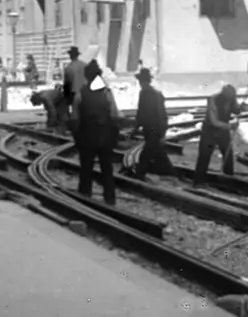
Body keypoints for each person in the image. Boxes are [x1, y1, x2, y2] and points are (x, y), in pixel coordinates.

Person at [76, 60, 121, 205]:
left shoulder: (80, 94)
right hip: (104, 136)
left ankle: (84, 197)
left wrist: (77, 137)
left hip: (87, 137)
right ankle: (110, 199)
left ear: (86, 76)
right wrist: (114, 135)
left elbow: (75, 118)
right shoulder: (107, 93)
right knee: (106, 169)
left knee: (86, 168)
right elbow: (114, 115)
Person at [192, 84, 242, 186]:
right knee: (205, 155)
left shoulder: (232, 99)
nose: (231, 99)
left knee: (228, 155)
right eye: (229, 97)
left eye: (232, 97)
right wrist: (229, 126)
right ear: (223, 94)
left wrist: (241, 108)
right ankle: (199, 181)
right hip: (209, 130)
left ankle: (228, 180)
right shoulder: (213, 100)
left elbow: (236, 109)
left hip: (223, 131)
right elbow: (214, 121)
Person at [132, 67, 174, 178]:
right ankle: (168, 171)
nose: (142, 84)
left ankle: (140, 172)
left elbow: (162, 114)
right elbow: (140, 112)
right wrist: (136, 127)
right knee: (157, 151)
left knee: (147, 151)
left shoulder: (156, 95)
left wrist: (162, 132)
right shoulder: (143, 93)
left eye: (143, 81)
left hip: (155, 128)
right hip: (148, 128)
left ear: (147, 81)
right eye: (141, 82)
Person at [61, 45, 86, 132]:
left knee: (75, 114)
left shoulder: (69, 68)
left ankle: (77, 130)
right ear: (78, 55)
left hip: (74, 93)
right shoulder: (85, 65)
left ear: (70, 56)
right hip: (87, 92)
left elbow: (66, 85)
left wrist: (66, 99)